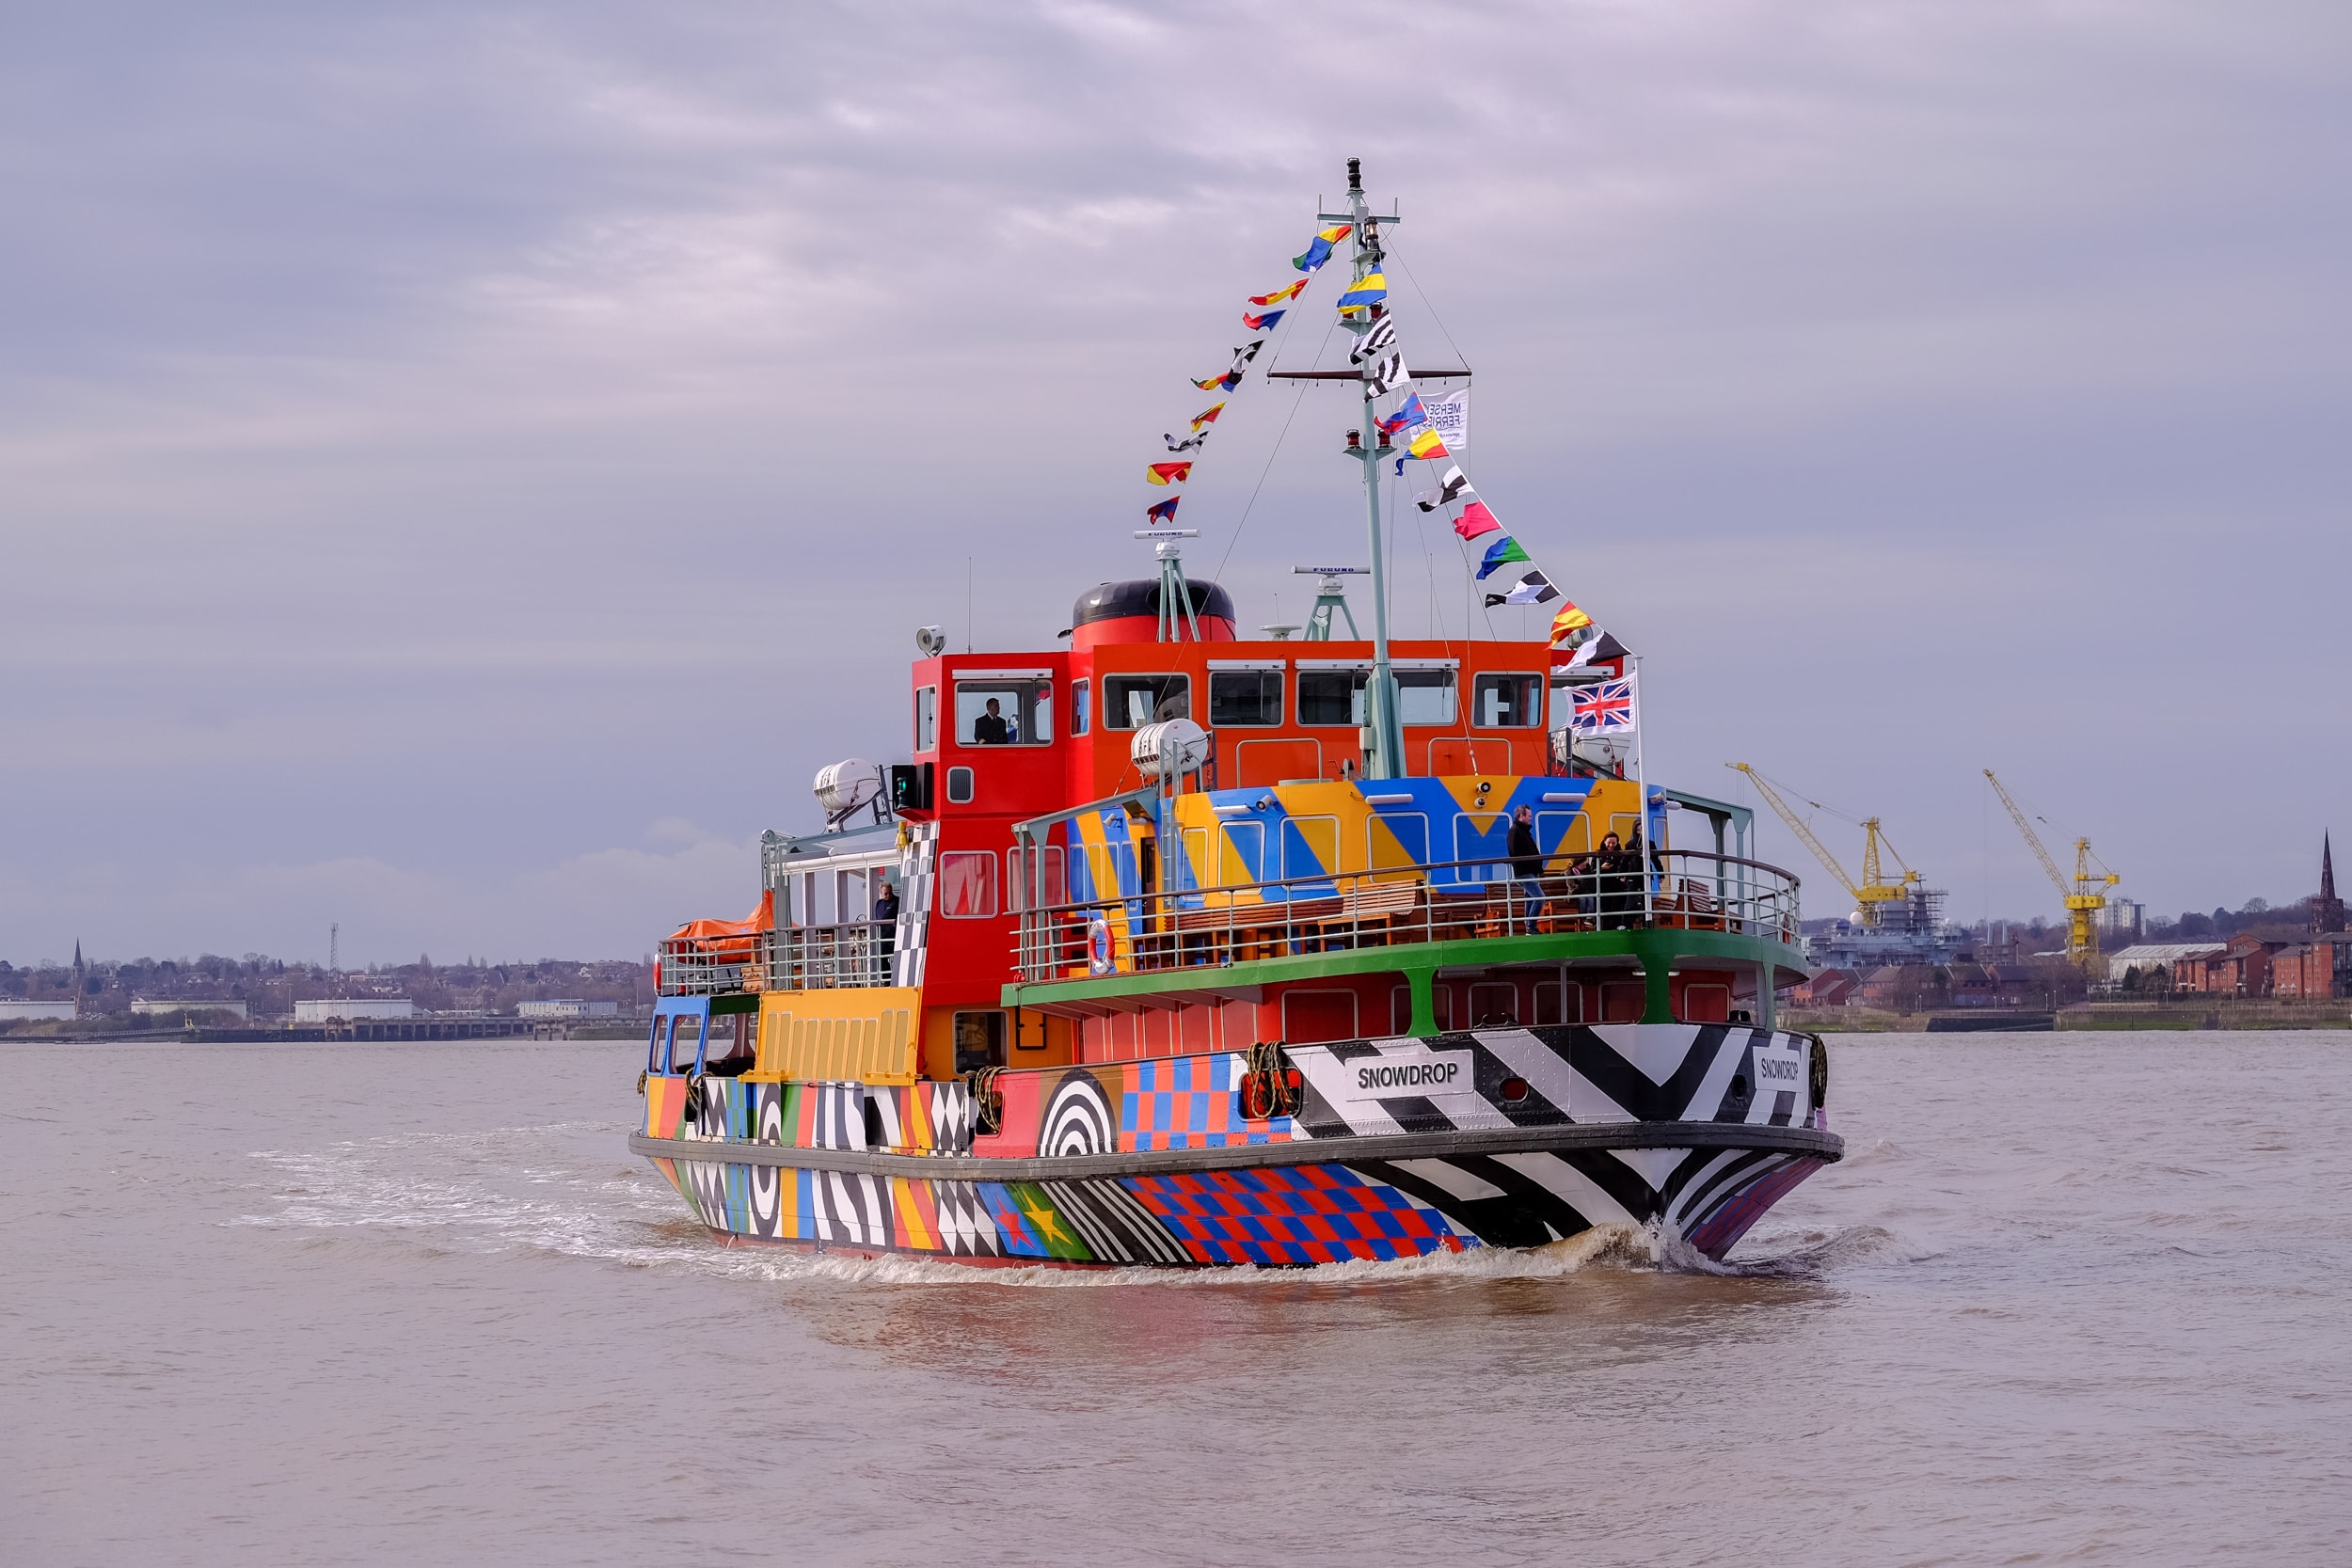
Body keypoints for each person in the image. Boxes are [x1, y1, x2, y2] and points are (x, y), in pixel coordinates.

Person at [1506, 804, 1547, 933]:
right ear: (1521, 816)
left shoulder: (1522, 831)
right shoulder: (1516, 831)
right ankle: (1531, 927)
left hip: (1529, 871)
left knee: (1530, 898)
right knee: (1539, 897)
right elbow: (1515, 852)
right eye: (1529, 816)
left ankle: (1530, 927)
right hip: (1525, 872)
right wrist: (1532, 864)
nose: (1531, 818)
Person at [871, 880, 899, 976]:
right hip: (882, 936)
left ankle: (896, 977)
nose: (888, 895)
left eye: (890, 893)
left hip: (894, 935)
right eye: (885, 893)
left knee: (896, 957)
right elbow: (879, 917)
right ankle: (886, 978)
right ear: (881, 893)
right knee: (881, 958)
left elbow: (886, 917)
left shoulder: (896, 901)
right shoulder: (879, 903)